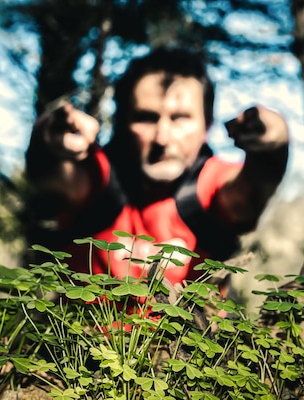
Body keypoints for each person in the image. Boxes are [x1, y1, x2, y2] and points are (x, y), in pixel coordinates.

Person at [24, 46, 289, 286]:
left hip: (190, 341)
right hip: (79, 340)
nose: (162, 138)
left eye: (180, 118)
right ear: (124, 123)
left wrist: (274, 137)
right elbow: (50, 174)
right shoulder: (98, 175)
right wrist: (50, 135)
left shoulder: (212, 184)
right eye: (147, 118)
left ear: (206, 126)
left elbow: (254, 187)